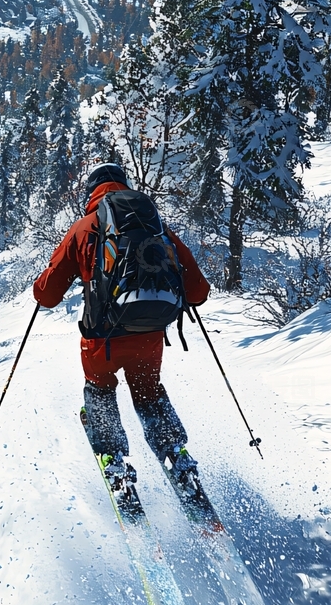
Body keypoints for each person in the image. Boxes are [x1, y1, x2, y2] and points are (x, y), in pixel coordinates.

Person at [33, 161, 210, 489]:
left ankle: (114, 460)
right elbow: (198, 292)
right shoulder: (155, 226)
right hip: (150, 335)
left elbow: (47, 295)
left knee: (99, 388)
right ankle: (177, 455)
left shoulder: (84, 228)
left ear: (91, 192)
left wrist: (41, 283)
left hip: (104, 340)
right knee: (148, 391)